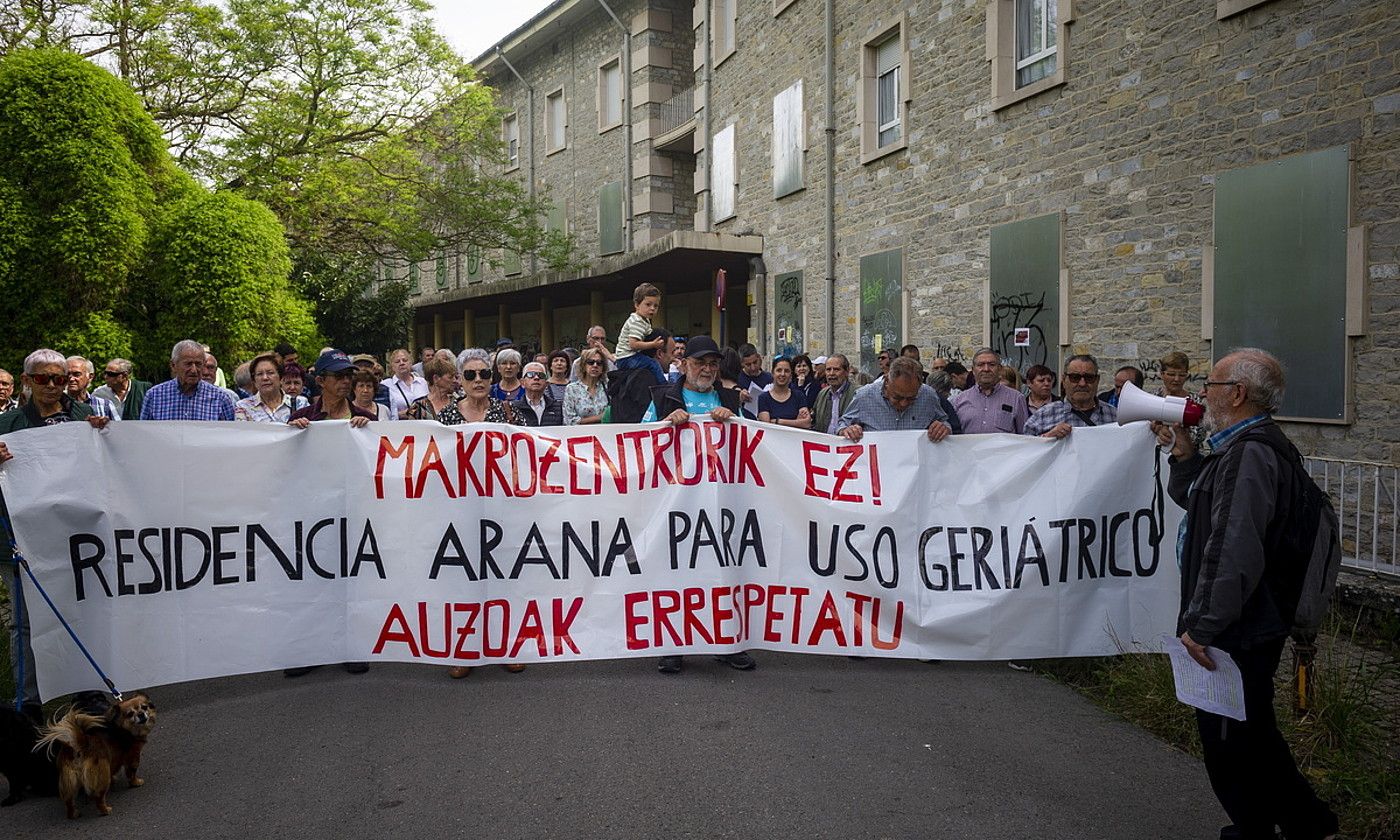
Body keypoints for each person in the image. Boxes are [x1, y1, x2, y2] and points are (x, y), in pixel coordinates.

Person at [1154, 348, 1339, 840]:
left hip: (1239, 623)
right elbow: (1201, 506)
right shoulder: (1246, 448)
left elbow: (1234, 545)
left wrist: (1204, 624)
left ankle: (1256, 827)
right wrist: (1187, 454)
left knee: (1229, 737)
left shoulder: (1251, 453)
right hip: (1251, 615)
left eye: (1210, 386)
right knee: (1251, 728)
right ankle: (1305, 821)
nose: (1202, 394)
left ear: (1236, 394)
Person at [0, 349, 111, 721]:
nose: (52, 386)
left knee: (86, 610)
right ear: (27, 380)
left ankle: (89, 689)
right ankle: (29, 700)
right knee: (24, 621)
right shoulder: (8, 425)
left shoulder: (86, 419)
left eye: (59, 379)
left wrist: (104, 440)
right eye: (43, 378)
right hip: (22, 540)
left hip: (78, 538)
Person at [641, 335, 756, 675]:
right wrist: (666, 424)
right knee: (676, 575)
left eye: (712, 364)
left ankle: (728, 642)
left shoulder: (729, 398)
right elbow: (639, 442)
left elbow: (755, 444)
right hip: (675, 504)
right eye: (699, 363)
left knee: (723, 572)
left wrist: (733, 420)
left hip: (721, 504)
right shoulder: (663, 398)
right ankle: (674, 646)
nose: (707, 369)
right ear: (684, 365)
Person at [282, 349, 372, 678]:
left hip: (354, 510)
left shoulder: (366, 419)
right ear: (320, 381)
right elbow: (284, 463)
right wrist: (292, 434)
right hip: (312, 512)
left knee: (352, 580)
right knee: (312, 581)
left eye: (349, 375)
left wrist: (366, 432)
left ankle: (352, 646)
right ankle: (311, 647)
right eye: (339, 376)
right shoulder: (305, 417)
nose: (346, 381)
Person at [447, 348, 525, 679]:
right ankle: (464, 649)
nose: (478, 380)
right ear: (460, 380)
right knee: (462, 582)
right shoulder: (445, 419)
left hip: (501, 509)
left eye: (484, 375)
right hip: (459, 510)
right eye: (470, 375)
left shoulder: (509, 414)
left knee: (503, 579)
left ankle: (507, 645)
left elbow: (527, 456)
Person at [837, 357, 952, 443]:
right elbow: (842, 424)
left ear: (920, 385)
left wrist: (943, 428)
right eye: (897, 397)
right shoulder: (864, 396)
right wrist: (847, 430)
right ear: (887, 381)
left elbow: (944, 421)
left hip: (915, 471)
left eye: (912, 398)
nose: (903, 403)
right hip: (877, 470)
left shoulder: (929, 396)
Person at [1024, 354, 1117, 438]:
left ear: (1097, 380)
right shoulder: (1041, 417)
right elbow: (1026, 452)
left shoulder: (1115, 416)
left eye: (1089, 378)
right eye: (1075, 377)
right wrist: (1048, 437)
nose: (1082, 383)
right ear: (1064, 381)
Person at [141, 340, 236, 421]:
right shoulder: (154, 396)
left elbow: (231, 436)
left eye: (198, 364)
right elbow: (144, 435)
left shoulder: (221, 398)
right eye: (188, 364)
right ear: (173, 366)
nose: (194, 370)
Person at [953, 348, 1028, 435]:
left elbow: (1024, 437)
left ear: (999, 369)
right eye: (980, 365)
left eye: (991, 365)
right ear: (973, 370)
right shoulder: (958, 400)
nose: (986, 369)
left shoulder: (1016, 398)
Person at [613, 282, 668, 385]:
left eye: (656, 306)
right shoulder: (636, 321)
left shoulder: (644, 320)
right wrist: (653, 344)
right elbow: (633, 344)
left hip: (629, 356)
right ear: (637, 305)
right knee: (653, 363)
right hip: (626, 358)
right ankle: (663, 385)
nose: (652, 308)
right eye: (648, 304)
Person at [235, 352, 308, 422]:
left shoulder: (301, 403)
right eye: (260, 374)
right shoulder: (243, 407)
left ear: (280, 377)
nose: (265, 378)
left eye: (270, 373)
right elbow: (242, 434)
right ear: (254, 380)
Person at [404, 357, 464, 424]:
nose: (454, 380)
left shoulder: (459, 402)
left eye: (455, 377)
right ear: (436, 378)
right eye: (450, 377)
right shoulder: (418, 406)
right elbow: (412, 431)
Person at [757, 357, 811, 429]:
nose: (782, 374)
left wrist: (778, 421)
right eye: (779, 370)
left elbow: (806, 423)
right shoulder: (763, 398)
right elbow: (767, 426)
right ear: (772, 373)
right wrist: (796, 422)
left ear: (791, 374)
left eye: (786, 371)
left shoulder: (799, 396)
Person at [812, 354, 856, 436]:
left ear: (846, 371)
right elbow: (814, 422)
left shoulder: (858, 394)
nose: (831, 373)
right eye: (828, 369)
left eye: (836, 369)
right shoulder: (822, 394)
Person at [564, 346, 610, 425]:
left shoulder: (608, 387)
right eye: (590, 362)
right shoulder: (572, 389)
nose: (595, 365)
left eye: (599, 363)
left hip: (604, 434)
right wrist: (598, 418)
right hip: (580, 434)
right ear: (583, 366)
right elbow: (569, 420)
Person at [65, 356, 120, 420]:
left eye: (77, 374)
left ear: (90, 377)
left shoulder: (105, 405)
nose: (71, 379)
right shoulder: (56, 405)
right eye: (67, 374)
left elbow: (118, 428)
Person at [510, 361, 562, 426]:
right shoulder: (513, 407)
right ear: (522, 382)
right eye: (530, 374)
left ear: (546, 383)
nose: (536, 378)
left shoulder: (558, 407)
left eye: (541, 375)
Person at [382, 348, 428, 420]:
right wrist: (400, 414)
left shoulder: (423, 382)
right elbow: (382, 413)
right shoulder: (385, 385)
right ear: (392, 367)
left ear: (411, 363)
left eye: (405, 360)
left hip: (423, 426)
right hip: (399, 427)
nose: (401, 363)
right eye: (397, 362)